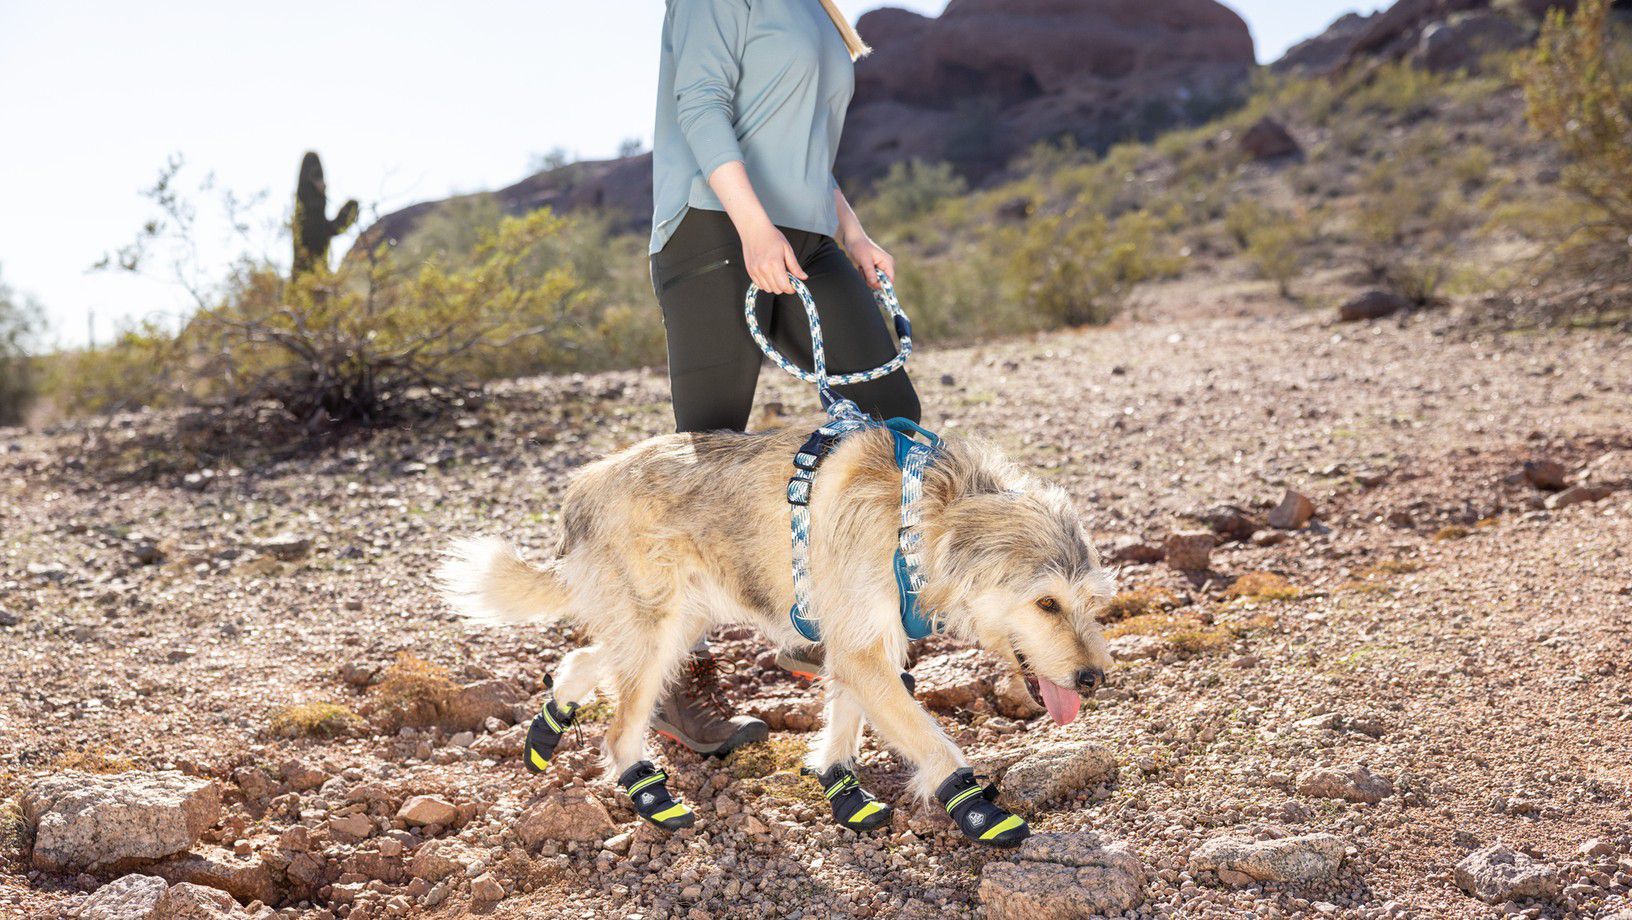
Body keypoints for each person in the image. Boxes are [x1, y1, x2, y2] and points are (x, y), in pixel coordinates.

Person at [647, 0, 920, 756]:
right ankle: (673, 678)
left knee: (893, 422)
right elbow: (699, 104)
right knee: (707, 456)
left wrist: (853, 232)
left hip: (805, 233)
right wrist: (751, 225)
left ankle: (830, 623)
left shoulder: (818, 10)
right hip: (714, 224)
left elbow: (800, 143)